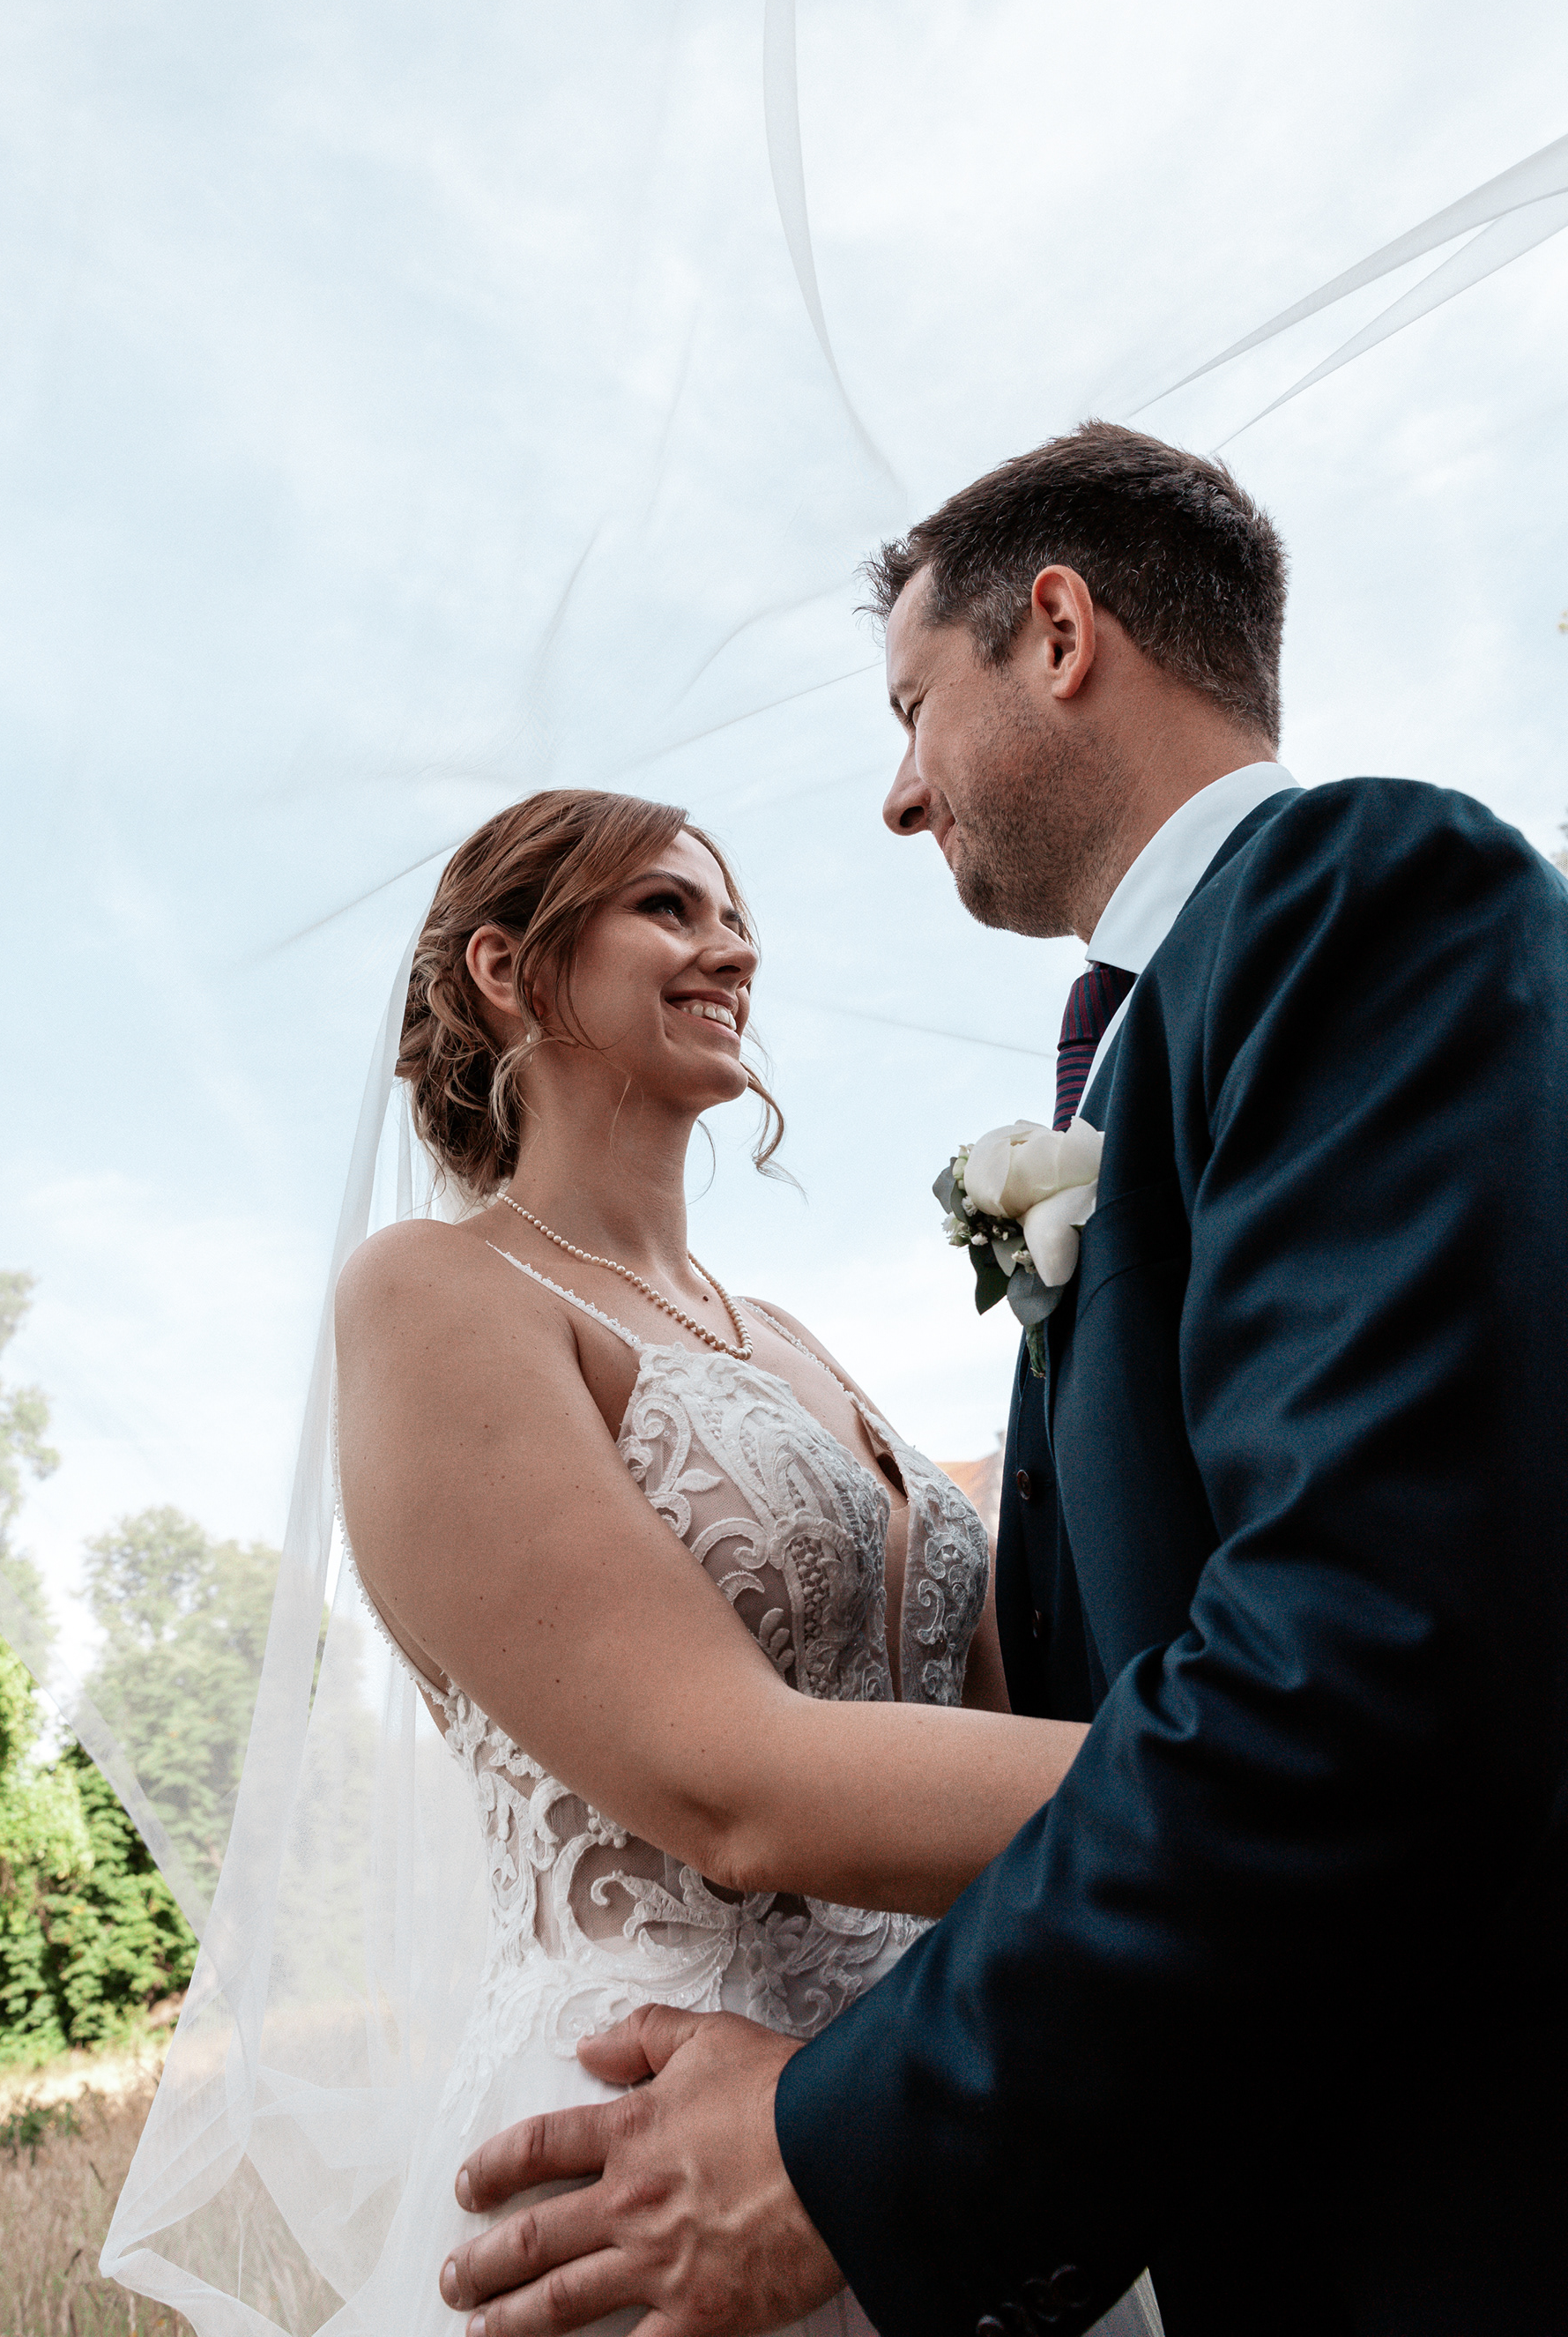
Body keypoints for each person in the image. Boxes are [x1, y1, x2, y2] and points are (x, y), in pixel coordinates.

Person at [441, 421, 1568, 2337]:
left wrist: (852, 2141)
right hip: (1209, 2180)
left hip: (1445, 2206)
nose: (894, 797)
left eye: (908, 708)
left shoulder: (1361, 899)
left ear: (1056, 631)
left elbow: (1365, 1661)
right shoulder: (1141, 1053)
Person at [332, 785, 1163, 2337]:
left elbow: (982, 1717)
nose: (731, 948)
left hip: (929, 2114)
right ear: (508, 970)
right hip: (659, 2143)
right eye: (669, 906)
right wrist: (1271, 1778)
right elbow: (735, 1783)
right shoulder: (438, 1298)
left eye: (734, 915)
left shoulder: (783, 1339)